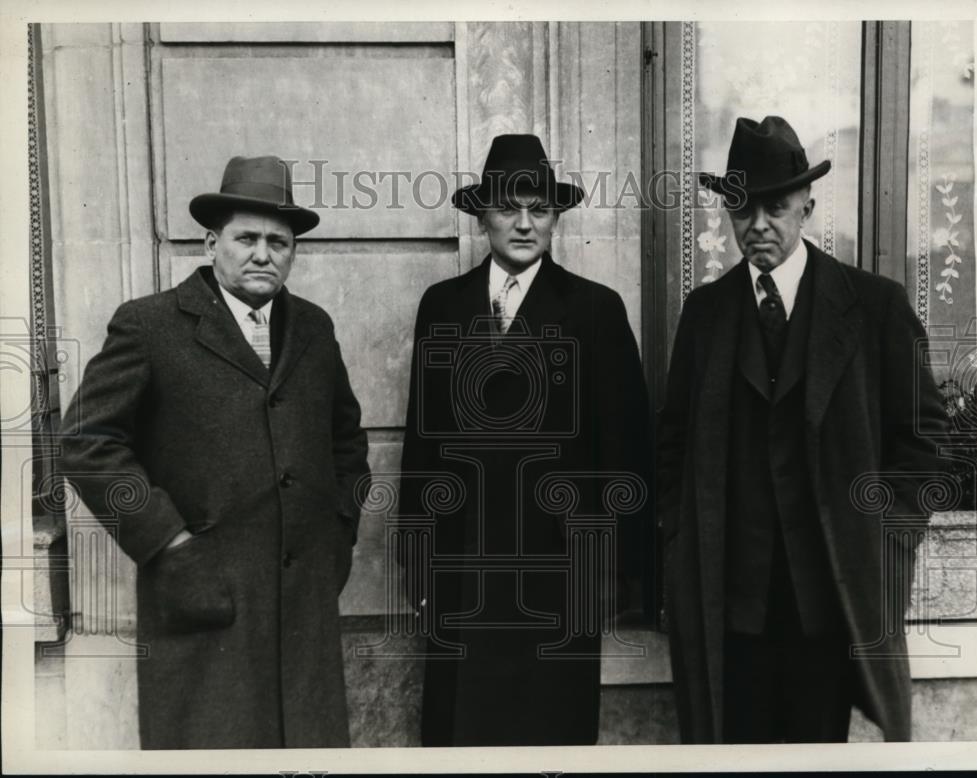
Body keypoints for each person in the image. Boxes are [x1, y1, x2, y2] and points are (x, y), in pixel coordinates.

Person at [59, 155, 370, 749]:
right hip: (201, 595)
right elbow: (86, 442)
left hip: (301, 598)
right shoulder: (150, 325)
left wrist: (339, 530)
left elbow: (347, 441)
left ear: (293, 252)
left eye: (279, 242)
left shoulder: (313, 328)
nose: (263, 254)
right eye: (246, 238)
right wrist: (169, 544)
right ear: (211, 242)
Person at [658, 115, 949, 743]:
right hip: (731, 608)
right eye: (742, 210)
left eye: (776, 207)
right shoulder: (706, 316)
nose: (758, 226)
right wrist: (681, 542)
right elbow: (672, 445)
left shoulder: (874, 307)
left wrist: (887, 544)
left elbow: (927, 445)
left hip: (831, 606)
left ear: (807, 208)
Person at [398, 134, 652, 746]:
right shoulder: (444, 306)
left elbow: (628, 452)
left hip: (558, 581)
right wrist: (420, 568)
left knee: (550, 739)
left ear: (556, 218)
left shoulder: (595, 309)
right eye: (508, 207)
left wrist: (616, 578)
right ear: (482, 215)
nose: (523, 222)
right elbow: (422, 449)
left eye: (539, 208)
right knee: (465, 741)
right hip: (463, 575)